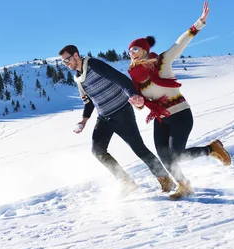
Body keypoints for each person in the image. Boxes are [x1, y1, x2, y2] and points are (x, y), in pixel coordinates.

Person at [126, 1, 231, 200]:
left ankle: (212, 149)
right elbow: (142, 100)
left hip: (180, 114)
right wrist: (139, 104)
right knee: (164, 155)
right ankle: (184, 186)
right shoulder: (134, 76)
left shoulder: (162, 62)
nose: (131, 54)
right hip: (160, 118)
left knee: (177, 154)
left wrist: (199, 23)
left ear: (145, 50)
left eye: (135, 49)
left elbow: (180, 42)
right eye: (129, 51)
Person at [59, 45, 173, 193]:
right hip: (104, 117)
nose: (66, 64)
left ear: (75, 55)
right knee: (97, 150)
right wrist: (83, 121)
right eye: (63, 62)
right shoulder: (78, 78)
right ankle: (126, 182)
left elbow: (121, 79)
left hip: (122, 112)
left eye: (67, 60)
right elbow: (88, 102)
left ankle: (165, 179)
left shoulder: (94, 64)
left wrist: (132, 94)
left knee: (139, 149)